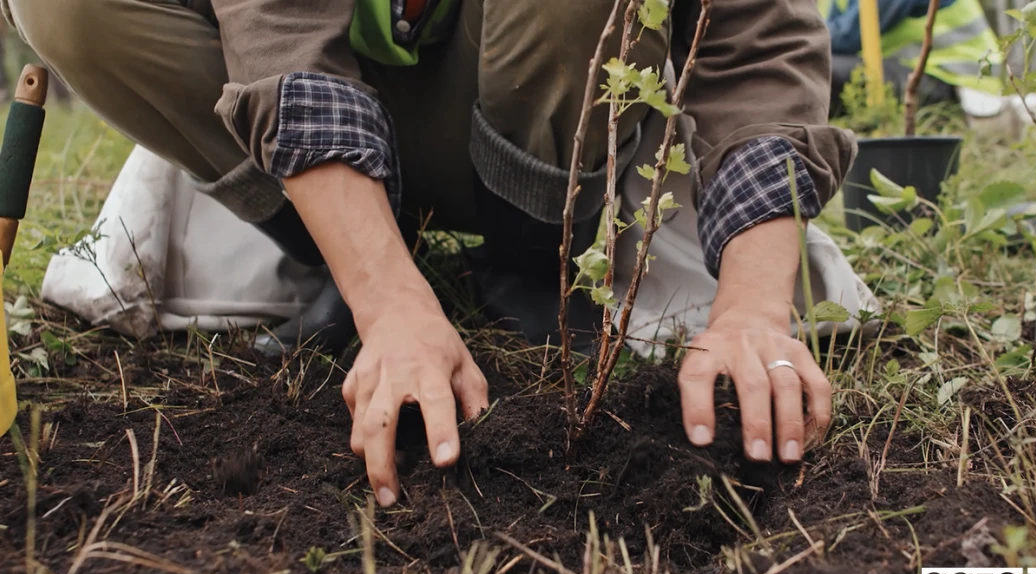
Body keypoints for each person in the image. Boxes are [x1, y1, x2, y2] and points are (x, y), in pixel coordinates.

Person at [4, 0, 855, 507]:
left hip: (542, 103)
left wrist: (749, 306)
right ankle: (342, 253)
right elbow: (281, 28)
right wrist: (388, 300)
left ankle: (529, 257)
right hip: (326, 93)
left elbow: (757, 37)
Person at [823, 0, 1004, 116]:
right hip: (907, 69)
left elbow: (846, 38)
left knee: (818, 73)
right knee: (811, 68)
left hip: (953, 80)